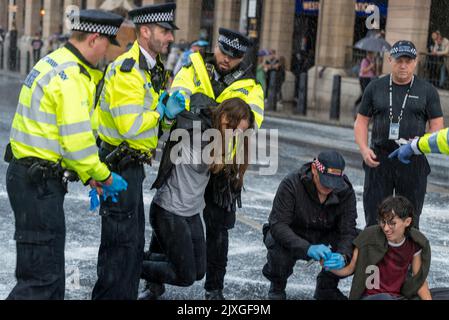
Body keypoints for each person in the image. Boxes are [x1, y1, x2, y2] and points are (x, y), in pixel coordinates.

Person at [4, 10, 127, 300]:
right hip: (38, 184)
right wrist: (103, 176)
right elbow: (77, 143)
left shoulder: (56, 62)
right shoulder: (70, 76)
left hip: (33, 179)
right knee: (41, 280)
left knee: (51, 277)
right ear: (94, 38)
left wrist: (88, 176)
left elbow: (60, 138)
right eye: (108, 44)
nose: (108, 52)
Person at [140, 27, 264, 300]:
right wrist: (216, 112)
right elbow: (180, 99)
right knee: (170, 216)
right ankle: (153, 281)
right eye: (224, 52)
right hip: (187, 152)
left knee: (219, 231)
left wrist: (206, 109)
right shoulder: (194, 66)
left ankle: (214, 288)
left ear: (241, 58)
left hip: (224, 164)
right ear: (216, 47)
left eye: (234, 57)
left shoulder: (252, 84)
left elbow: (251, 120)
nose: (226, 60)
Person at [91, 3, 184, 300]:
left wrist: (167, 117)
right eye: (164, 31)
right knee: (121, 244)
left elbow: (152, 129)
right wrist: (160, 113)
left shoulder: (152, 68)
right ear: (145, 32)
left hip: (132, 165)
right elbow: (131, 126)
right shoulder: (128, 70)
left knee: (129, 244)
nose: (170, 38)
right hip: (119, 164)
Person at [139, 98, 255, 300]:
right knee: (184, 275)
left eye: (242, 132)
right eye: (236, 129)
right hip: (169, 210)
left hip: (190, 212)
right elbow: (169, 136)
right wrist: (167, 116)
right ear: (225, 118)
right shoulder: (196, 131)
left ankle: (137, 258)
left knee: (198, 271)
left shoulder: (221, 138)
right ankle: (128, 265)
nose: (237, 136)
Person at [354, 40, 444, 229]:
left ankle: (407, 258)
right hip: (379, 159)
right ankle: (375, 258)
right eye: (399, 60)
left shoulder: (427, 91)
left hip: (412, 160)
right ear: (390, 59)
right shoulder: (375, 87)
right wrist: (363, 149)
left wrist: (419, 145)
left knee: (409, 220)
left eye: (408, 61)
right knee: (375, 217)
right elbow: (361, 121)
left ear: (415, 61)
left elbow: (437, 126)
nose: (403, 65)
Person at [262, 150, 358, 300]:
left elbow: (348, 230)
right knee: (276, 243)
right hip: (295, 233)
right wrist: (307, 248)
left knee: (358, 243)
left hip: (326, 235)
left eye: (334, 183)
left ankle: (325, 288)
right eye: (325, 181)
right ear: (314, 169)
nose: (329, 188)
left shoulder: (345, 191)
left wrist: (343, 255)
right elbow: (278, 225)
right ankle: (277, 286)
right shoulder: (292, 183)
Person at [329, 196, 432, 300]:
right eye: (383, 222)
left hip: (397, 297)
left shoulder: (414, 243)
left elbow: (420, 281)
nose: (386, 228)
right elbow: (349, 269)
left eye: (392, 223)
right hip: (371, 297)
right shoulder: (368, 236)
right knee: (385, 298)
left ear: (407, 222)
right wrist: (327, 263)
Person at [353, 51, 378, 116]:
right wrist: (370, 66)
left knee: (368, 94)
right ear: (368, 54)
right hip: (364, 78)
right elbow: (363, 71)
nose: (372, 55)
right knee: (365, 93)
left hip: (370, 78)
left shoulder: (372, 61)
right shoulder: (365, 60)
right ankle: (357, 104)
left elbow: (373, 71)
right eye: (371, 54)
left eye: (372, 54)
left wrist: (373, 67)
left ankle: (364, 108)